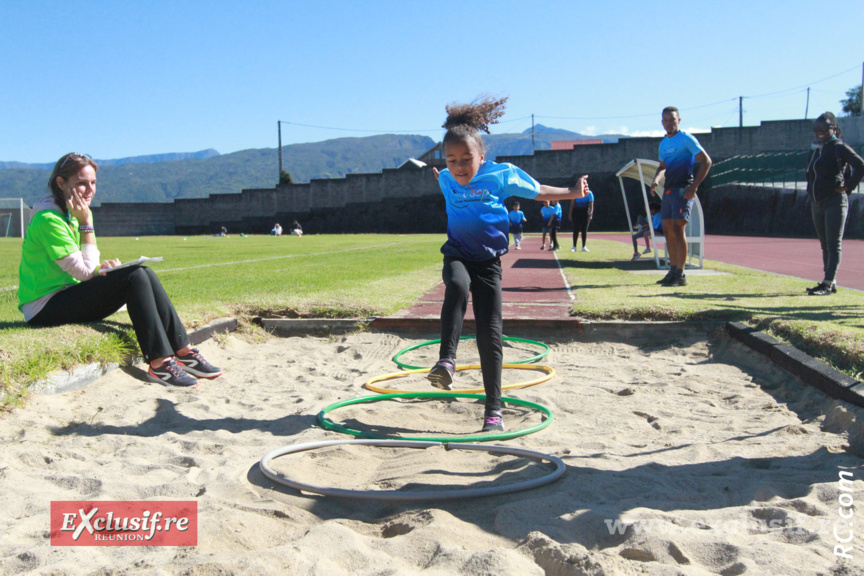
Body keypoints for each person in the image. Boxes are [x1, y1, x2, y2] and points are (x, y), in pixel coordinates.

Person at [426, 96, 588, 432]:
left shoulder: (500, 176)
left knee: (490, 334)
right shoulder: (446, 180)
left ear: (481, 157)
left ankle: (493, 411)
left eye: (466, 159)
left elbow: (538, 190)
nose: (458, 167)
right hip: (457, 254)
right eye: (451, 160)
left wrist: (572, 193)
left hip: (488, 263)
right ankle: (446, 360)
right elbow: (444, 177)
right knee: (456, 285)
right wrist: (443, 174)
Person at [18, 153, 223, 388]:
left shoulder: (75, 212)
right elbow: (84, 274)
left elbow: (88, 268)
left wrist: (102, 268)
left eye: (93, 182)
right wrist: (86, 225)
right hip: (43, 308)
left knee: (143, 272)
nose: (89, 189)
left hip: (68, 295)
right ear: (61, 183)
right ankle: (160, 364)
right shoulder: (49, 219)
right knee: (133, 277)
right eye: (81, 183)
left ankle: (184, 351)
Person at [650, 107, 712, 287]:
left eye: (672, 119)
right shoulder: (663, 144)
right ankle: (672, 271)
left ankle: (680, 273)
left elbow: (706, 161)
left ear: (679, 120)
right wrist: (655, 181)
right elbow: (663, 167)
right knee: (667, 230)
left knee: (678, 229)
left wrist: (694, 186)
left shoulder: (686, 139)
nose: (669, 123)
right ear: (662, 122)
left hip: (682, 190)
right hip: (668, 190)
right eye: (666, 120)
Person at [805, 112, 864, 296]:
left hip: (834, 202)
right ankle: (830, 281)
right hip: (817, 202)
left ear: (834, 129)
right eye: (816, 129)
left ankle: (827, 283)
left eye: (824, 129)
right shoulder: (815, 149)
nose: (819, 133)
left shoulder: (838, 146)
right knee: (824, 245)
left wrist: (847, 187)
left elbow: (860, 166)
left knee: (833, 243)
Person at [568, 187, 594, 252]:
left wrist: (590, 215)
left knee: (584, 230)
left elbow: (591, 205)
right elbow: (572, 204)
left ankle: (584, 247)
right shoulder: (575, 194)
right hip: (576, 212)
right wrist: (570, 214)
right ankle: (574, 247)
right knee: (575, 229)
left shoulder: (590, 193)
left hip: (585, 213)